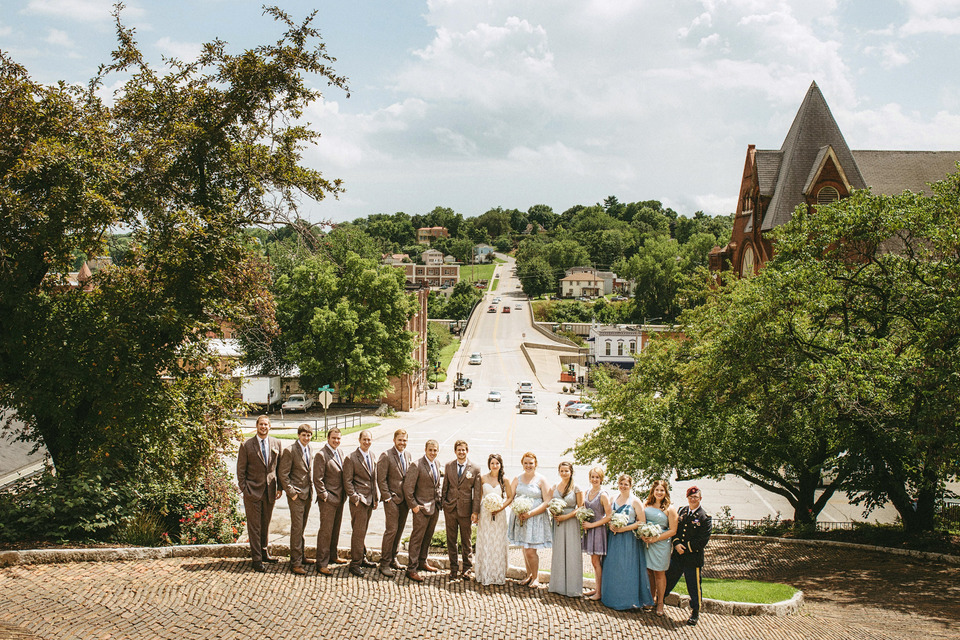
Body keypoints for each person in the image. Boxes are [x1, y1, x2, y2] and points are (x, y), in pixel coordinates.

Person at [236, 415, 283, 572]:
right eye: (261, 424)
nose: (263, 427)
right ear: (256, 426)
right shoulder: (247, 445)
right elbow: (241, 470)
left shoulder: (276, 443)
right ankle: (256, 559)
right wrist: (245, 489)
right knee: (254, 526)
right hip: (252, 491)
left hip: (270, 491)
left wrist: (280, 487)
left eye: (266, 424)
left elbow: (279, 468)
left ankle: (264, 552)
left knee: (265, 524)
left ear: (270, 427)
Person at [601, 474, 654, 611]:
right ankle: (611, 597)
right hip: (613, 538)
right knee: (613, 567)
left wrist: (623, 529)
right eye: (621, 483)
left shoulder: (635, 501)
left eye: (626, 484)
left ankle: (628, 601)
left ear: (631, 486)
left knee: (627, 568)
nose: (623, 486)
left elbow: (641, 521)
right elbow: (608, 516)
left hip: (629, 539)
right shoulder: (613, 498)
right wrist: (611, 525)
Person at [664, 486, 712, 626]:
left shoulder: (704, 517)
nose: (693, 499)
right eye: (690, 497)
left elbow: (702, 540)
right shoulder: (682, 511)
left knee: (693, 587)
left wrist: (685, 548)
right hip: (677, 557)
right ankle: (659, 601)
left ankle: (695, 612)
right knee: (668, 580)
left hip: (692, 559)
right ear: (687, 498)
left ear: (700, 498)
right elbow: (675, 530)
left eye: (695, 497)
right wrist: (676, 543)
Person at [507, 451, 552, 587]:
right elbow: (510, 497)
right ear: (522, 464)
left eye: (531, 463)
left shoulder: (541, 480)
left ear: (535, 464)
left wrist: (531, 513)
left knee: (531, 551)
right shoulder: (517, 479)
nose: (528, 465)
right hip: (521, 519)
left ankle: (536, 577)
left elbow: (547, 501)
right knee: (524, 548)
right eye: (525, 463)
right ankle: (529, 575)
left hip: (536, 519)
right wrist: (517, 510)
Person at [403, 439, 443, 582]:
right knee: (417, 538)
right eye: (430, 450)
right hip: (420, 508)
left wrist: (439, 501)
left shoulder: (437, 463)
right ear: (425, 450)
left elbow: (437, 485)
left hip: (434, 507)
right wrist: (414, 506)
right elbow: (408, 488)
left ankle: (422, 561)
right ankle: (411, 569)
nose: (432, 452)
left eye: (435, 450)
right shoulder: (417, 465)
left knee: (428, 537)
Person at [277, 424, 315, 575]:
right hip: (296, 496)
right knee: (296, 528)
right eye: (303, 435)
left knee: (302, 528)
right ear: (298, 435)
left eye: (308, 435)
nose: (306, 438)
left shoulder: (309, 449)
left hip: (307, 494)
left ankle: (301, 556)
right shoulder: (290, 450)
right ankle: (295, 563)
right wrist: (292, 493)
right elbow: (283, 474)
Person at [441, 440, 481, 579]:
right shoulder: (449, 466)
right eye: (459, 450)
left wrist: (475, 511)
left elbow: (477, 493)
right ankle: (453, 568)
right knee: (451, 540)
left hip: (466, 510)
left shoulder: (475, 468)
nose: (461, 452)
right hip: (450, 508)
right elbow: (445, 486)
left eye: (463, 450)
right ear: (455, 451)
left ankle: (467, 568)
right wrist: (444, 503)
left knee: (466, 540)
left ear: (467, 451)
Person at [474, 453, 514, 586]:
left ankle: (496, 574)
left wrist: (500, 507)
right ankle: (484, 573)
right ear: (489, 465)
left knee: (497, 541)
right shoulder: (483, 478)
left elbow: (510, 497)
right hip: (485, 513)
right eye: (492, 463)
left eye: (497, 463)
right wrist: (476, 513)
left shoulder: (505, 480)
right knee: (485, 540)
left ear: (500, 465)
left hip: (499, 514)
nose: (495, 465)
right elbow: (479, 496)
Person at [376, 429, 412, 577]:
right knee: (391, 530)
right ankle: (384, 563)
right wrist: (387, 497)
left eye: (404, 440)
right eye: (400, 440)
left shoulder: (408, 455)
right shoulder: (386, 456)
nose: (402, 443)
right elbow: (381, 479)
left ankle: (393, 558)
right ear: (394, 440)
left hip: (404, 501)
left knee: (399, 530)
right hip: (392, 499)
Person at [343, 430, 379, 576]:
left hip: (369, 500)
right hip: (359, 501)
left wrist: (375, 498)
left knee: (362, 531)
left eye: (369, 440)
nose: (366, 442)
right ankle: (355, 563)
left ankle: (362, 557)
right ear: (359, 440)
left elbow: (373, 480)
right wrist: (354, 498)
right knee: (358, 532)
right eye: (364, 439)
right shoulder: (351, 458)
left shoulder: (372, 455)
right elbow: (347, 481)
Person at [313, 427, 348, 575]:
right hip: (328, 499)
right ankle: (321, 563)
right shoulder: (321, 455)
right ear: (328, 438)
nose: (336, 441)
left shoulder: (339, 452)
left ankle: (333, 555)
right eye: (334, 438)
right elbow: (317, 479)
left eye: (338, 438)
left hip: (340, 498)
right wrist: (325, 496)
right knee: (326, 531)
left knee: (335, 529)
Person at [641, 480, 679, 615]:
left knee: (659, 573)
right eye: (657, 490)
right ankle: (651, 598)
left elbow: (673, 530)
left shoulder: (670, 508)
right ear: (653, 491)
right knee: (649, 571)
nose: (659, 492)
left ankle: (661, 602)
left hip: (661, 544)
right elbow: (641, 521)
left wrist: (655, 538)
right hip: (647, 543)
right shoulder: (646, 504)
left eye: (662, 490)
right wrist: (643, 534)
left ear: (665, 492)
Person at [548, 461, 584, 597]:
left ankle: (572, 588)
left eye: (566, 471)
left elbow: (580, 507)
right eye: (562, 471)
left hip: (571, 522)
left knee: (572, 552)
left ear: (571, 472)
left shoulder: (577, 488)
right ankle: (558, 586)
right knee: (559, 552)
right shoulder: (554, 487)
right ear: (559, 472)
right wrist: (553, 512)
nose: (564, 473)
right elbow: (549, 503)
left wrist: (566, 516)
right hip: (558, 522)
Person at [581, 466, 612, 600]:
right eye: (592, 477)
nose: (594, 479)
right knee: (593, 562)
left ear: (601, 479)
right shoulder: (587, 492)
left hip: (598, 530)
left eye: (597, 477)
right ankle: (596, 588)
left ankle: (599, 593)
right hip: (589, 529)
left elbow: (609, 516)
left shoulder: (603, 495)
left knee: (596, 561)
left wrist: (592, 525)